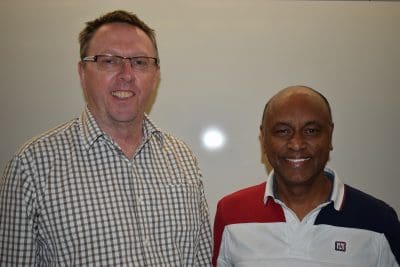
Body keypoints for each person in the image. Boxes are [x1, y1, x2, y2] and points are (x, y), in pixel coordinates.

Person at [0, 10, 212, 266]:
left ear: (155, 75)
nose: (126, 74)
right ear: (82, 72)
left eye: (140, 62)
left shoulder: (183, 159)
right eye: (109, 61)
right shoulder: (31, 165)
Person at [213, 85, 400, 266]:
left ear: (330, 136)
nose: (296, 144)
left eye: (311, 131)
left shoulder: (378, 220)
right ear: (264, 139)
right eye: (283, 131)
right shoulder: (231, 214)